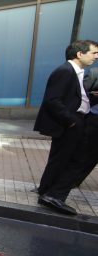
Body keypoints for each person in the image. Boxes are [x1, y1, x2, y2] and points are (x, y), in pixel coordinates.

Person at [33, 41, 98, 215]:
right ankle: (53, 195)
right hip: (71, 123)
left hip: (75, 120)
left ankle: (46, 191)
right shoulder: (65, 71)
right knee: (71, 160)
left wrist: (90, 96)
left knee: (60, 158)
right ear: (79, 54)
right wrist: (72, 121)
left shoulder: (75, 72)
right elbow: (52, 100)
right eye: (93, 53)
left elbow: (73, 97)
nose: (96, 56)